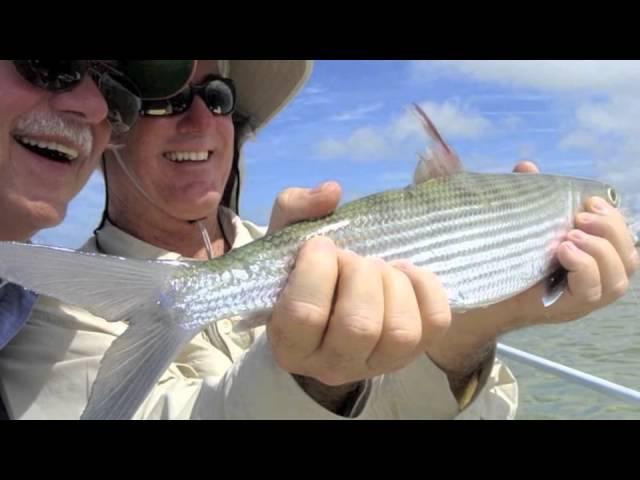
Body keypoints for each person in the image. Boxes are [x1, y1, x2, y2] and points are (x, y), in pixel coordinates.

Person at [0, 60, 636, 419]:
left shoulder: (305, 246)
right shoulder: (44, 311)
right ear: (114, 129)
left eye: (218, 98)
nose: (201, 119)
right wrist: (308, 378)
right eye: (164, 98)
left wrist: (467, 334)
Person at [0, 60, 199, 419]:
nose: (96, 108)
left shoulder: (18, 301)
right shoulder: (49, 313)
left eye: (117, 93)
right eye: (49, 63)